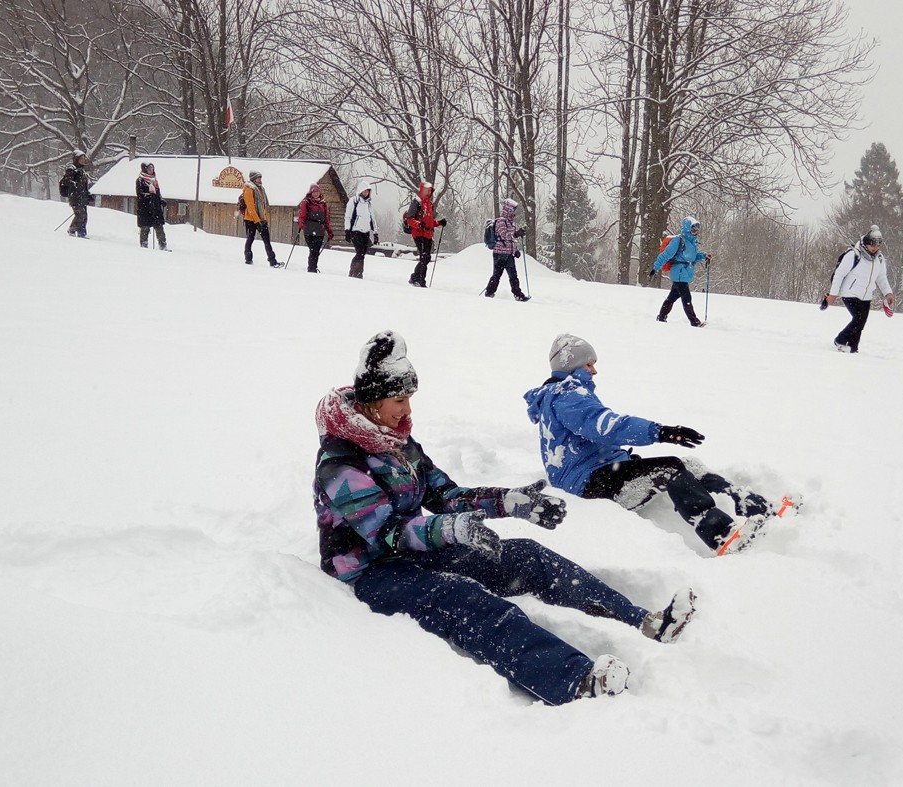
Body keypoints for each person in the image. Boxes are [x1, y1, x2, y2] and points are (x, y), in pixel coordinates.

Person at [314, 330, 698, 704]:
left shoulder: (397, 442)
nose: (408, 410)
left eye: (410, 399)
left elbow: (445, 495)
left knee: (528, 556)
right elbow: (386, 533)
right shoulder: (340, 462)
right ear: (372, 401)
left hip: (418, 550)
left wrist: (508, 502)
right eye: (400, 400)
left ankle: (644, 621)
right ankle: (574, 682)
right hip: (372, 570)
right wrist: (451, 529)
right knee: (464, 599)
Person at [524, 334, 783, 555]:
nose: (594, 371)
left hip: (600, 471)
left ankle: (755, 506)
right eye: (589, 364)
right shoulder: (566, 396)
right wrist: (661, 432)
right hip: (586, 483)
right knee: (670, 470)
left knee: (688, 464)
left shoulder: (566, 394)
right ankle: (722, 536)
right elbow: (607, 426)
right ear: (572, 365)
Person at [825, 225, 894, 353]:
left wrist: (888, 293)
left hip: (866, 296)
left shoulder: (879, 259)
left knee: (861, 323)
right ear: (866, 243)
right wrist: (833, 294)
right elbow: (839, 274)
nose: (875, 248)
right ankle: (840, 340)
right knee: (858, 319)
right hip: (850, 293)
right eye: (872, 245)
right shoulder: (853, 255)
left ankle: (853, 348)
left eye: (878, 245)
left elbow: (881, 277)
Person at [654, 217, 711, 326]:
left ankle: (661, 316)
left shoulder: (692, 242)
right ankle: (694, 322)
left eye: (696, 230)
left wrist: (704, 256)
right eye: (693, 229)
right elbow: (666, 254)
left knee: (672, 297)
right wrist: (656, 267)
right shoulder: (678, 241)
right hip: (679, 273)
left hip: (684, 273)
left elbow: (692, 258)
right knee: (686, 298)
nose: (695, 232)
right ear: (687, 229)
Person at [484, 198, 530, 301]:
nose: (514, 213)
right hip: (499, 253)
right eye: (513, 210)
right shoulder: (501, 221)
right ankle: (489, 292)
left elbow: (511, 239)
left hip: (509, 254)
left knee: (513, 275)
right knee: (497, 275)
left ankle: (518, 295)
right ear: (508, 209)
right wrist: (517, 233)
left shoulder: (511, 223)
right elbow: (504, 235)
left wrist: (515, 250)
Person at [403, 182, 446, 287]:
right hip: (419, 234)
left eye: (430, 190)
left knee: (426, 258)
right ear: (422, 190)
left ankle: (415, 278)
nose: (429, 192)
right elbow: (409, 219)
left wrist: (439, 223)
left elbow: (429, 222)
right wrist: (418, 225)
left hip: (428, 234)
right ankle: (420, 281)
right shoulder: (417, 202)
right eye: (427, 190)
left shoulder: (429, 204)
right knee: (424, 257)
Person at [236, 170, 280, 267]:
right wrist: (257, 221)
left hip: (261, 219)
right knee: (250, 239)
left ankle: (272, 261)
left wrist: (264, 219)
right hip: (250, 219)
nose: (260, 179)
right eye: (258, 178)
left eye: (260, 177)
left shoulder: (261, 189)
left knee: (267, 241)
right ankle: (248, 259)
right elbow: (251, 208)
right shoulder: (249, 189)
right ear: (253, 179)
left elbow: (263, 206)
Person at [344, 181, 379, 279]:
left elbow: (372, 219)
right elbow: (348, 216)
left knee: (363, 253)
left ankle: (357, 272)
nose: (366, 193)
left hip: (366, 232)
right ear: (360, 191)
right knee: (359, 252)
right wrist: (347, 230)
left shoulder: (369, 204)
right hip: (356, 231)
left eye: (368, 191)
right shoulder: (354, 201)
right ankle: (355, 272)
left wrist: (375, 233)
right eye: (364, 191)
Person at [297, 183, 333, 273]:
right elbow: (302, 215)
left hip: (320, 230)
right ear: (311, 192)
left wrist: (329, 231)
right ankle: (311, 268)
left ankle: (313, 267)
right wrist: (301, 224)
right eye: (314, 192)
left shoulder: (323, 204)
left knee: (316, 250)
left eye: (317, 192)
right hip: (309, 230)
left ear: (319, 193)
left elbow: (326, 219)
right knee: (313, 250)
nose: (315, 193)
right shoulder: (306, 202)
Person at [135, 162, 167, 251]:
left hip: (155, 208)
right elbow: (139, 194)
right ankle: (144, 246)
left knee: (159, 227)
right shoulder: (140, 180)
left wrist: (161, 200)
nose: (151, 170)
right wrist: (148, 196)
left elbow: (158, 193)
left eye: (152, 168)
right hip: (145, 208)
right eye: (149, 169)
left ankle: (163, 245)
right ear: (145, 169)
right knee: (145, 228)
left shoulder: (154, 180)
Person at [60, 151, 92, 239]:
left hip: (82, 197)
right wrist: (74, 185)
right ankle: (74, 231)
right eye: (81, 158)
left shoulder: (81, 170)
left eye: (84, 158)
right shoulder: (71, 169)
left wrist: (88, 195)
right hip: (75, 197)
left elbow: (83, 186)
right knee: (80, 215)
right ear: (76, 159)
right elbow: (67, 181)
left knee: (84, 215)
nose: (83, 160)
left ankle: (81, 232)